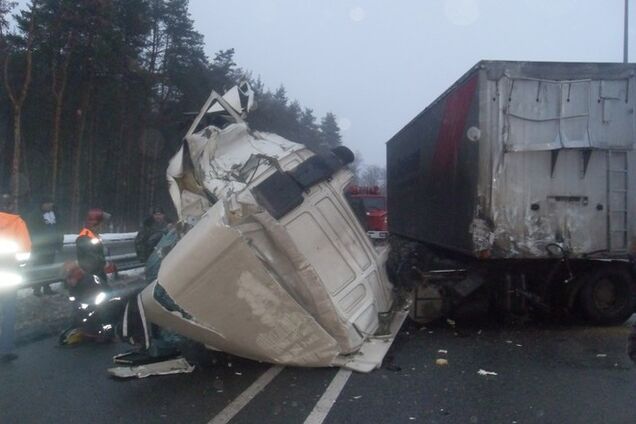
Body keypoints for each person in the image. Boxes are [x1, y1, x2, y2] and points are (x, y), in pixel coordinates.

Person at [0, 193, 32, 363]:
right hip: (9, 276)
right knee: (8, 313)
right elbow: (25, 251)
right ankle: (5, 349)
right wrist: (20, 266)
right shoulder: (18, 223)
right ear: (10, 206)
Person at [28, 198, 63, 296]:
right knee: (38, 267)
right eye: (47, 203)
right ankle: (37, 288)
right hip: (40, 247)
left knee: (48, 267)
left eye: (51, 203)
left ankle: (47, 287)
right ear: (42, 204)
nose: (50, 205)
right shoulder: (35, 215)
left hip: (51, 246)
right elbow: (32, 230)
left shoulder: (56, 214)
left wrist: (59, 242)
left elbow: (59, 228)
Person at [76, 208, 110, 285]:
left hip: (96, 272)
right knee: (98, 292)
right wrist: (103, 263)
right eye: (102, 223)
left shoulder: (93, 234)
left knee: (105, 291)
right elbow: (91, 258)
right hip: (91, 274)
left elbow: (96, 251)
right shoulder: (85, 237)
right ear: (95, 223)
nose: (103, 226)